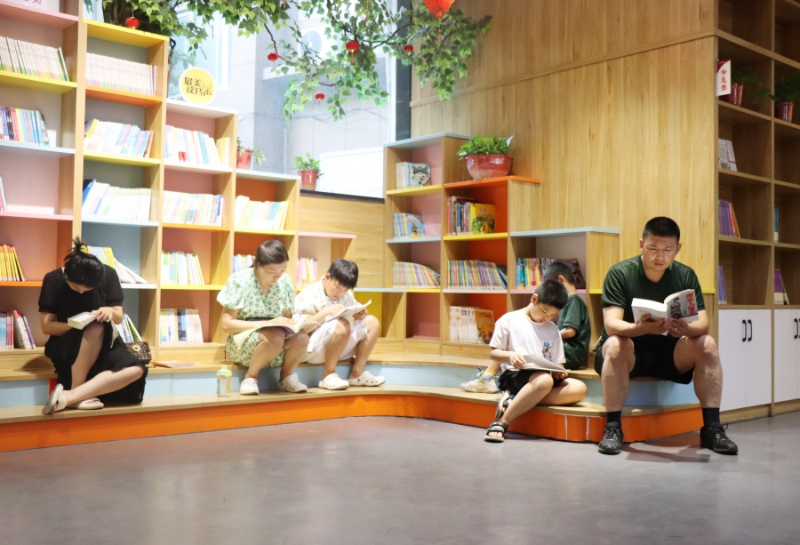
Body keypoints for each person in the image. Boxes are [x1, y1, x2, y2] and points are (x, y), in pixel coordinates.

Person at [595, 216, 738, 455]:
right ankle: (613, 428)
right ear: (641, 244)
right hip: (630, 353)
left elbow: (703, 323)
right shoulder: (620, 273)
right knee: (616, 344)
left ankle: (712, 429)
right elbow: (611, 324)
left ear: (678, 249)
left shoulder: (685, 275)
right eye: (652, 248)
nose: (659, 256)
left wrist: (686, 329)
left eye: (667, 250)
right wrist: (641, 329)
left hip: (668, 351)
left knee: (707, 344)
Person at [39, 238, 147, 414]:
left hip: (107, 345)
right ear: (67, 276)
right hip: (67, 344)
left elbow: (118, 317)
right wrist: (78, 327)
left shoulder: (109, 274)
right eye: (75, 287)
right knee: (95, 326)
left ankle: (71, 396)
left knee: (136, 369)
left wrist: (109, 311)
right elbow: (47, 327)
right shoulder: (53, 279)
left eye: (87, 289)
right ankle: (77, 388)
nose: (81, 292)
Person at [484, 279, 588, 442]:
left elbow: (558, 362)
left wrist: (559, 372)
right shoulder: (509, 320)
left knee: (579, 388)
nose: (546, 317)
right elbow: (494, 354)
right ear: (534, 299)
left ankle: (517, 399)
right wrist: (510, 355)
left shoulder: (552, 328)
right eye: (544, 311)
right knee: (544, 380)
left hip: (542, 378)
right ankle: (502, 421)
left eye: (552, 315)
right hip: (515, 374)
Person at [217, 240, 310, 395]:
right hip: (245, 340)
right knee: (275, 335)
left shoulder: (285, 281)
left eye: (282, 270)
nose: (278, 275)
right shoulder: (240, 280)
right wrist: (268, 323)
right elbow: (227, 325)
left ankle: (287, 377)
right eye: (272, 271)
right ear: (258, 265)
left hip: (277, 338)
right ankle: (250, 377)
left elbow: (287, 317)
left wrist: (294, 324)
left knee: (301, 338)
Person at [293, 259, 384, 390]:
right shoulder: (308, 295)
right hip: (312, 350)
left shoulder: (346, 295)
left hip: (338, 346)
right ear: (327, 277)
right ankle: (328, 375)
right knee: (341, 325)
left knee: (372, 322)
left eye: (345, 289)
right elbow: (300, 330)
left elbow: (356, 308)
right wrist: (325, 312)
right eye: (337, 287)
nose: (340, 293)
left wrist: (361, 313)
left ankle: (357, 374)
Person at [543, 261, 591, 370]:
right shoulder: (568, 302)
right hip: (567, 352)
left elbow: (570, 331)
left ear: (560, 280)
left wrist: (551, 336)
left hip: (572, 354)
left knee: (539, 350)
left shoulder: (573, 300)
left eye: (551, 288)